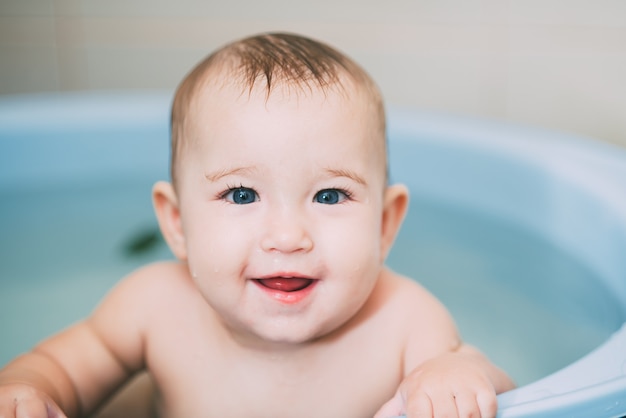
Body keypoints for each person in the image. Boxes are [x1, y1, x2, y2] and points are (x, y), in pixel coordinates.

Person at [0, 32, 515, 418]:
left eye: (329, 195)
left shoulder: (404, 320)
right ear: (177, 223)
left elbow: (496, 387)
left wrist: (460, 372)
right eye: (242, 195)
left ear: (384, 223)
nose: (288, 238)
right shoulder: (153, 306)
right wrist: (29, 390)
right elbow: (61, 368)